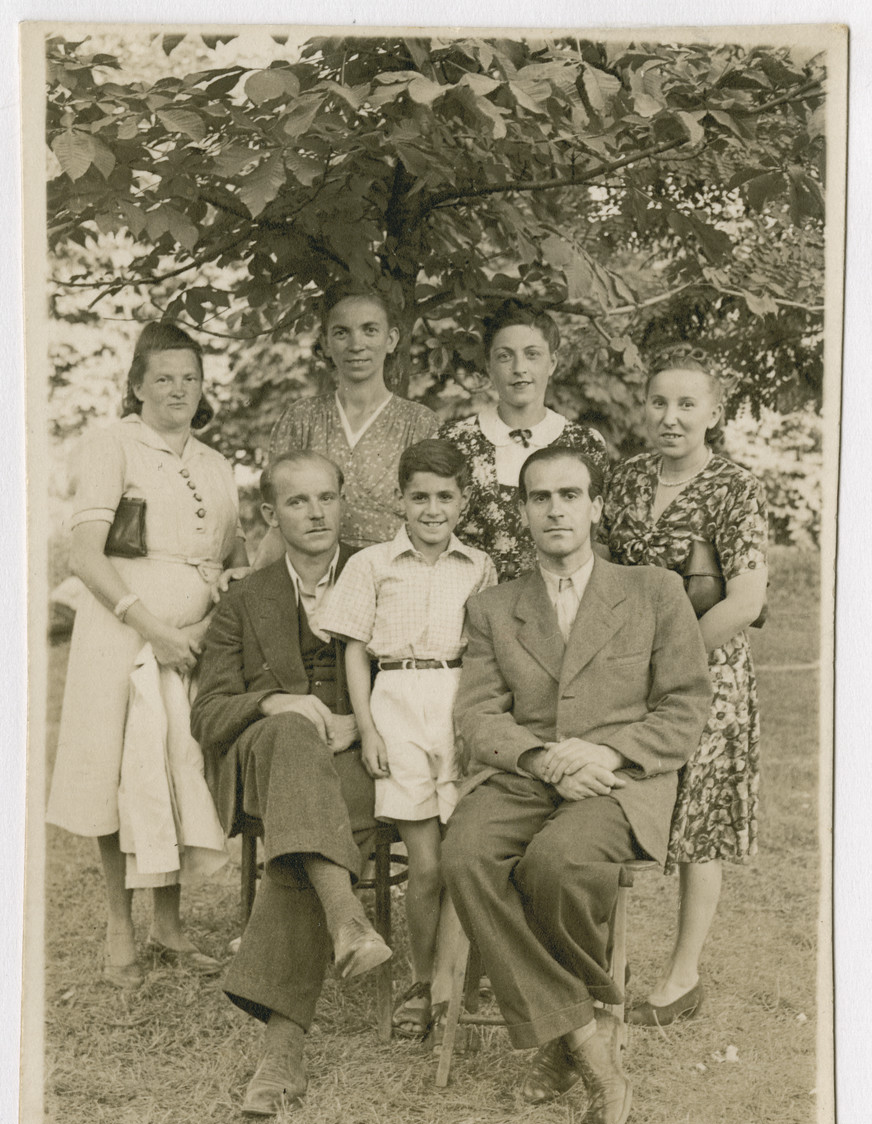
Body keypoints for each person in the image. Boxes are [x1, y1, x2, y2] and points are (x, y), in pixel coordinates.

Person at [441, 445, 712, 1124]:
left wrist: (608, 750)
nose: (555, 508)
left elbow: (685, 707)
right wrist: (540, 758)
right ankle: (586, 1037)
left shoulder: (654, 590)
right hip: (525, 774)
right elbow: (476, 716)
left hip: (618, 781)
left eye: (570, 495)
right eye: (540, 497)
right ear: (522, 512)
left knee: (557, 863)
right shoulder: (494, 607)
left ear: (596, 506)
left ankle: (561, 1043)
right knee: (466, 854)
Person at [47, 321, 249, 990]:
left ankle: (169, 926)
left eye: (190, 377)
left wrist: (209, 619)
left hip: (191, 647)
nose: (178, 389)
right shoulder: (112, 446)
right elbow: (84, 553)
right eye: (163, 377)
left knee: (170, 773)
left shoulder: (215, 462)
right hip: (123, 634)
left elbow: (234, 560)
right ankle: (118, 928)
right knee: (115, 776)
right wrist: (153, 628)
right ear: (137, 385)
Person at [190, 450, 391, 1117]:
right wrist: (276, 704)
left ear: (343, 502)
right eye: (298, 502)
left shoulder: (384, 572)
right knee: (296, 739)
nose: (315, 513)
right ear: (272, 514)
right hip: (267, 758)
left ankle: (283, 1051)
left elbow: (422, 674)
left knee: (305, 843)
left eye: (326, 498)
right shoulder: (245, 598)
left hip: (359, 760)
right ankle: (347, 919)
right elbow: (207, 710)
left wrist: (362, 725)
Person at [602, 344, 768, 1026]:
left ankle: (681, 976)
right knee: (614, 811)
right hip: (627, 678)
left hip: (706, 677)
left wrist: (674, 660)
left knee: (697, 823)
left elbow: (746, 599)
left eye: (686, 404)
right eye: (659, 402)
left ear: (713, 413)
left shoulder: (736, 487)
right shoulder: (625, 479)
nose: (671, 417)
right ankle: (606, 966)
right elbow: (604, 574)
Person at [320, 439, 497, 1042]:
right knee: (423, 866)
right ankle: (423, 981)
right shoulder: (371, 564)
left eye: (445, 497)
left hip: (458, 707)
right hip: (395, 703)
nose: (431, 508)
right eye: (419, 496)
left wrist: (478, 726)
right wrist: (368, 728)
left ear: (464, 502)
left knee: (461, 856)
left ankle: (454, 984)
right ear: (400, 499)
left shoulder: (478, 567)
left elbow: (487, 654)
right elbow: (352, 649)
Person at [253, 282, 438, 568]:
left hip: (394, 576)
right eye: (342, 333)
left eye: (369, 330)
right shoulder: (301, 419)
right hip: (313, 575)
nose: (356, 345)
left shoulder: (420, 423)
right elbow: (278, 525)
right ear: (326, 343)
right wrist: (253, 580)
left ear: (391, 340)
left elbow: (432, 520)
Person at [440, 299, 608, 581]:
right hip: (472, 607)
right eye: (505, 356)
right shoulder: (454, 441)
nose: (519, 368)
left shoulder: (584, 444)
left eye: (532, 355)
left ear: (552, 363)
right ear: (488, 365)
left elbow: (596, 541)